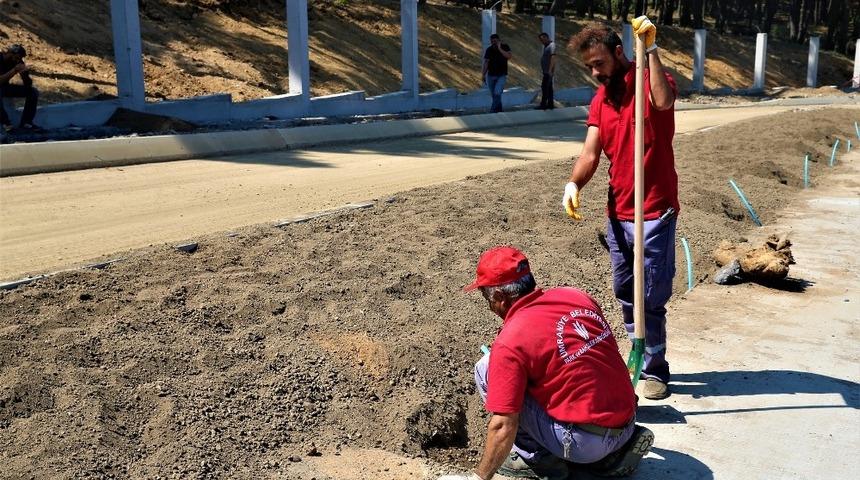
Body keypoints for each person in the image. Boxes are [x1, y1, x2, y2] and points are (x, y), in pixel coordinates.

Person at [439, 246, 653, 480]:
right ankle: (612, 454)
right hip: (627, 421)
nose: (489, 306)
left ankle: (537, 458)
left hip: (583, 444)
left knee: (487, 369)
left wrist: (478, 477)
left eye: (487, 299)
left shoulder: (511, 341)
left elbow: (503, 425)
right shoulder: (576, 296)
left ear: (500, 297)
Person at [562, 17, 678, 400]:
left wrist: (653, 49)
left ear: (618, 53)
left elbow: (664, 101)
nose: (595, 72)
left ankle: (655, 369)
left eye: (599, 63)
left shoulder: (647, 79)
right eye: (589, 67)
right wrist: (574, 183)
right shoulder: (601, 99)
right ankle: (637, 354)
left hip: (655, 210)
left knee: (650, 295)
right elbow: (590, 153)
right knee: (625, 288)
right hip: (619, 211)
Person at [0, 44, 40, 132]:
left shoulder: (18, 62)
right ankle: (6, 123)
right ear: (10, 53)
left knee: (32, 92)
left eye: (21, 58)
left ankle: (27, 122)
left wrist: (25, 74)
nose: (18, 60)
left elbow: (28, 84)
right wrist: (14, 71)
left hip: (5, 87)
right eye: (17, 57)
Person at [482, 33, 512, 113]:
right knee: (494, 95)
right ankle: (499, 110)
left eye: (495, 41)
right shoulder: (489, 49)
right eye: (492, 41)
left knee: (497, 93)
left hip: (501, 75)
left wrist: (500, 48)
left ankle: (492, 110)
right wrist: (483, 74)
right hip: (491, 75)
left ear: (499, 40)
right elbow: (486, 62)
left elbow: (508, 56)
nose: (494, 43)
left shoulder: (505, 46)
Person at [538, 32, 556, 110]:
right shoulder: (546, 46)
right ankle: (550, 104)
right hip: (546, 71)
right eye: (540, 40)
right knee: (549, 88)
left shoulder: (552, 45)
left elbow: (553, 58)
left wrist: (550, 70)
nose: (542, 42)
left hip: (548, 72)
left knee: (544, 87)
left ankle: (543, 105)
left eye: (542, 40)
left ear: (546, 38)